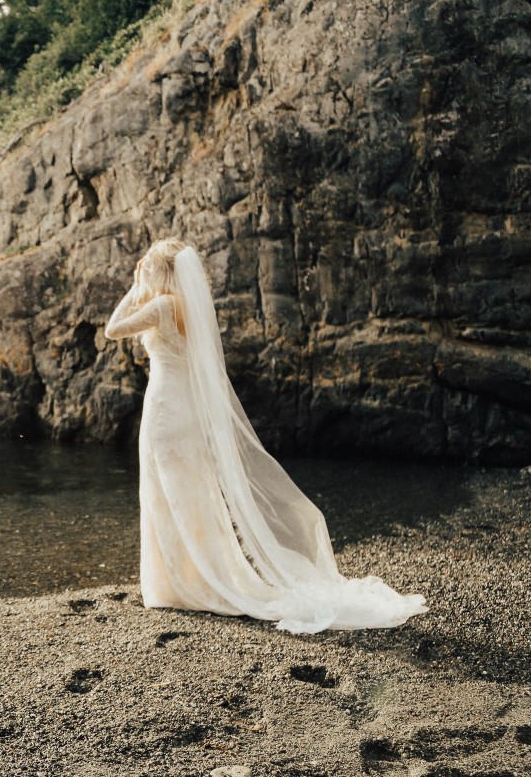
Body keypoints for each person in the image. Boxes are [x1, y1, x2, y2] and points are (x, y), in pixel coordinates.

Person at [104, 238, 427, 633]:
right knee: (193, 495)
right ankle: (197, 577)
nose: (147, 274)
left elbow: (112, 329)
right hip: (186, 413)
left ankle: (177, 585)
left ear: (164, 272)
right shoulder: (189, 306)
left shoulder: (162, 306)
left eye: (150, 268)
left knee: (167, 493)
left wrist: (134, 288)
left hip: (166, 411)